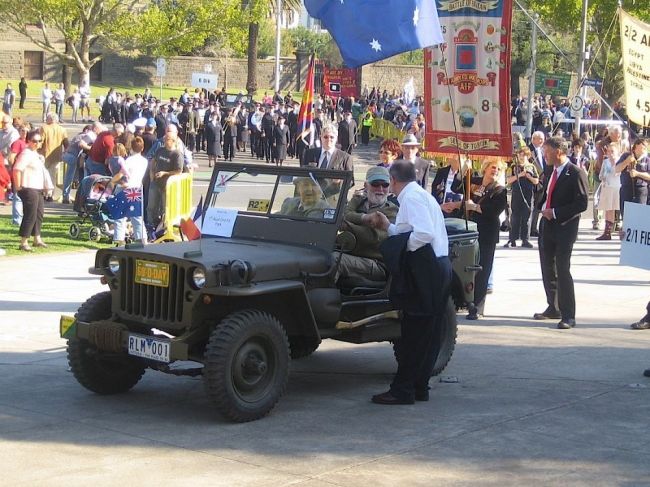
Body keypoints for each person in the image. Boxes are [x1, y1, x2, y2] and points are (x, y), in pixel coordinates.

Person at [366, 161, 452, 405]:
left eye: (388, 182)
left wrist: (402, 248)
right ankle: (418, 387)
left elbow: (423, 234)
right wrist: (389, 227)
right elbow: (410, 231)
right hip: (437, 265)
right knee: (428, 333)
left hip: (428, 268)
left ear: (394, 180)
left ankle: (403, 389)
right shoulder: (418, 195)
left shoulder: (411, 198)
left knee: (415, 333)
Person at [534, 136, 589, 329]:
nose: (544, 155)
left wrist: (556, 212)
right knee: (547, 268)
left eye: (547, 151)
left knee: (562, 269)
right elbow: (547, 194)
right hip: (547, 226)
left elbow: (582, 203)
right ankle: (553, 306)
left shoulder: (575, 172)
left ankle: (568, 314)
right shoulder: (550, 170)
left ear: (558, 151)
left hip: (565, 227)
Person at [442, 161, 507, 319]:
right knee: (465, 267)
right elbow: (456, 187)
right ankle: (464, 301)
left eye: (499, 169)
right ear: (485, 168)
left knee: (482, 269)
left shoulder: (500, 190)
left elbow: (494, 211)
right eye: (493, 167)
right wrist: (463, 169)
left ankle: (477, 307)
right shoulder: (474, 181)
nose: (495, 171)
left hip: (486, 233)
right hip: (467, 230)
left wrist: (475, 207)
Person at [336, 166, 398, 283]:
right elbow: (342, 214)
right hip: (352, 253)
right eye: (375, 184)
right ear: (366, 185)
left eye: (385, 185)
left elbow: (374, 237)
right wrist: (364, 217)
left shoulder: (392, 210)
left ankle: (320, 299)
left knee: (334, 260)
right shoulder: (359, 202)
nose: (380, 189)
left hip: (376, 263)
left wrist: (345, 225)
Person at [12, 130, 52, 251]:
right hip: (28, 188)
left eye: (39, 141)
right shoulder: (26, 153)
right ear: (28, 141)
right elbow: (16, 169)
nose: (37, 143)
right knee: (30, 215)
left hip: (38, 188)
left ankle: (37, 239)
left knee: (39, 214)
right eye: (34, 141)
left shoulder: (35, 154)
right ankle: (24, 242)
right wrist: (18, 186)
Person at [109, 136, 148, 245]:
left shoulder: (129, 160)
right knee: (136, 216)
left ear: (131, 147)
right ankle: (142, 239)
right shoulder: (144, 161)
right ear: (142, 148)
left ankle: (119, 239)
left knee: (120, 216)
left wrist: (112, 181)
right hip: (136, 189)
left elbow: (121, 173)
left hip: (124, 188)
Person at [504, 145, 539, 248]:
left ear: (528, 156)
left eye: (524, 155)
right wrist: (520, 175)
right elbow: (508, 180)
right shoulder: (513, 167)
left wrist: (529, 177)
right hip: (516, 194)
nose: (521, 157)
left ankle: (525, 239)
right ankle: (512, 239)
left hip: (528, 195)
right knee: (514, 217)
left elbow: (537, 181)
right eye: (520, 154)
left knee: (526, 218)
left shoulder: (532, 167)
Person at [148, 133, 182, 227]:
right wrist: (151, 173)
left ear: (173, 141)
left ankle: (164, 228)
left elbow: (178, 171)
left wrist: (165, 173)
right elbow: (153, 160)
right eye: (165, 139)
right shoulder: (160, 150)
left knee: (165, 208)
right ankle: (150, 225)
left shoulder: (177, 154)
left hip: (167, 186)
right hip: (155, 182)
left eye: (167, 139)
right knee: (151, 206)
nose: (164, 141)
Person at [595, 142, 621, 240]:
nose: (610, 153)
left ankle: (619, 228)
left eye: (612, 151)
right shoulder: (606, 162)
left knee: (617, 208)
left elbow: (620, 173)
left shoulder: (620, 161)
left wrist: (615, 165)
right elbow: (600, 175)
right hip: (607, 187)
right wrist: (604, 176)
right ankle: (607, 232)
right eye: (609, 151)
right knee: (608, 209)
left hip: (617, 187)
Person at [40, 113, 68, 201]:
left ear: (49, 119)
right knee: (52, 176)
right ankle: (50, 194)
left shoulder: (44, 128)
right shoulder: (62, 129)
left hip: (45, 155)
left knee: (43, 175)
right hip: (57, 155)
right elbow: (66, 143)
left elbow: (40, 142)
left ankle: (45, 193)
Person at [617, 138, 649, 216]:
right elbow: (616, 169)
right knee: (625, 213)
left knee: (639, 214)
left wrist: (638, 174)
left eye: (646, 146)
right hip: (626, 188)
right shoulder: (626, 156)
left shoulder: (647, 159)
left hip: (641, 189)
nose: (645, 148)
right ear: (636, 146)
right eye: (643, 146)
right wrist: (626, 162)